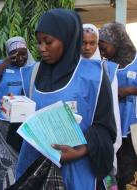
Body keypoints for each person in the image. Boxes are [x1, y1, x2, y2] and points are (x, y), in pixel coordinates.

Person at [15, 9, 117, 190]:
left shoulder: (94, 77)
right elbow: (24, 118)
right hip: (34, 168)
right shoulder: (33, 74)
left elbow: (105, 127)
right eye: (39, 42)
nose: (41, 48)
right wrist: (13, 107)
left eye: (48, 42)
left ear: (68, 39)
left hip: (76, 170)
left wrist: (82, 150)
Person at [0, 36, 35, 190]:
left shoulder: (35, 67)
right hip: (3, 129)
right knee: (6, 171)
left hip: (26, 129)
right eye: (15, 54)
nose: (21, 58)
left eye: (24, 53)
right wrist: (4, 65)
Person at [99, 22, 137, 190]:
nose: (101, 52)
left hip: (131, 129)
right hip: (112, 128)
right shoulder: (105, 64)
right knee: (111, 171)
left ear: (117, 43)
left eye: (104, 47)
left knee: (129, 172)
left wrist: (128, 90)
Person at [82, 23, 122, 172]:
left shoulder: (108, 70)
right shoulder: (71, 68)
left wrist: (112, 144)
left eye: (92, 43)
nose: (87, 48)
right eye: (83, 43)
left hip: (102, 131)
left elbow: (113, 109)